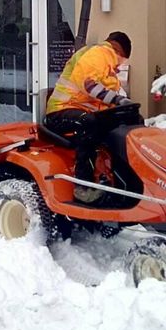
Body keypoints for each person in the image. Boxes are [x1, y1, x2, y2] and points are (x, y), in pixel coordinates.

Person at [44, 31, 135, 204]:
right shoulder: (100, 53)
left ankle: (120, 179)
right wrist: (118, 100)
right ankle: (83, 186)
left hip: (80, 109)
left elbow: (103, 95)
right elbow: (90, 85)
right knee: (89, 124)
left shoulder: (105, 65)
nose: (119, 66)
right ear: (118, 50)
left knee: (124, 122)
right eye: (122, 60)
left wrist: (123, 108)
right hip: (61, 111)